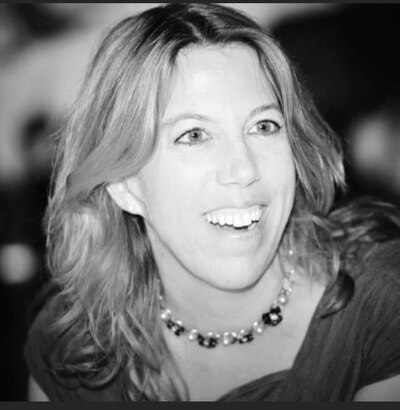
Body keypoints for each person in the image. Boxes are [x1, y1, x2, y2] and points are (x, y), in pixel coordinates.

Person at [24, 3, 400, 401]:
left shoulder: (380, 303)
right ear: (122, 182)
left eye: (264, 126)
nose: (243, 169)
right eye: (195, 135)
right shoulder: (70, 349)